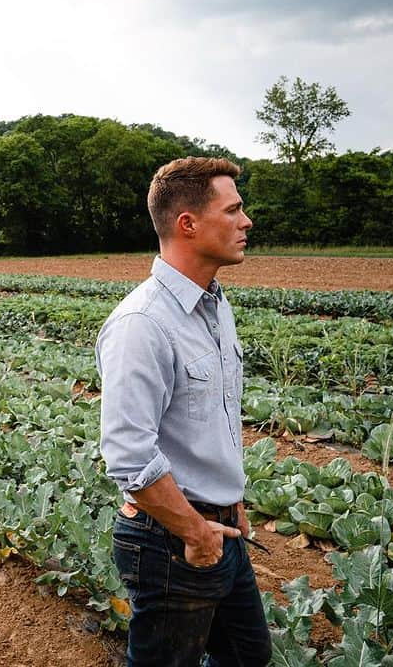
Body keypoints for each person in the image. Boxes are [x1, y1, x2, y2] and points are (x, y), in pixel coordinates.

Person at [96, 156, 271, 666]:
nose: (246, 222)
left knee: (248, 657)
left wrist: (229, 500)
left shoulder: (216, 307)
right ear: (187, 224)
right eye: (233, 210)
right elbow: (129, 454)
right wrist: (196, 531)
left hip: (222, 530)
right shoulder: (142, 323)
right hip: (173, 542)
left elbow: (211, 421)